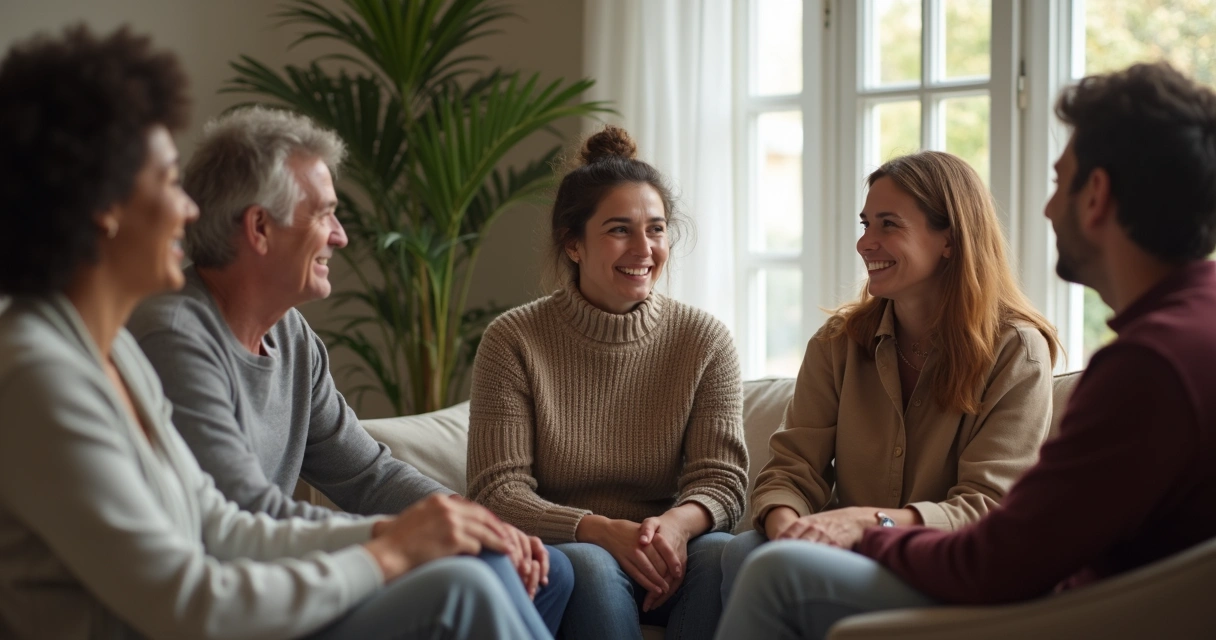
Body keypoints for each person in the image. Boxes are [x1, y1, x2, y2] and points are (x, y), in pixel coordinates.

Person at [0, 25, 545, 640]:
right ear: (105, 206)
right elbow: (192, 602)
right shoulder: (40, 377)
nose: (188, 208)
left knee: (482, 575)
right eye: (166, 181)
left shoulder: (112, 352)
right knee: (459, 590)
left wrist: (395, 530)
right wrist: (386, 556)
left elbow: (219, 523)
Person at [716, 60, 1216, 640]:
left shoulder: (1149, 365)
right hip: (1072, 599)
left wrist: (867, 528)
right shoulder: (1182, 339)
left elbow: (998, 552)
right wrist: (809, 525)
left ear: (1096, 195)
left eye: (1059, 183)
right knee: (744, 554)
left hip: (1052, 612)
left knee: (779, 573)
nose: (1049, 209)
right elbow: (1036, 543)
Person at [123, 104, 571, 635]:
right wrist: (403, 536)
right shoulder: (175, 334)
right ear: (260, 228)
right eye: (324, 214)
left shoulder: (291, 337)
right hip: (252, 602)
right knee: (473, 579)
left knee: (552, 571)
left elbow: (368, 472)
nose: (340, 236)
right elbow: (240, 511)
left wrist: (469, 517)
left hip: (297, 576)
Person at [719, 150, 1060, 602]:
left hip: (946, 567)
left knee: (765, 567)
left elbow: (987, 506)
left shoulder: (1016, 350)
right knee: (739, 551)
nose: (865, 243)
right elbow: (792, 469)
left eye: (888, 224)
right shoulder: (838, 343)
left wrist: (864, 523)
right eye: (865, 224)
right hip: (849, 557)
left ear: (950, 240)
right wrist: (787, 529)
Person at [465, 125, 749, 639]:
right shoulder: (513, 340)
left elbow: (723, 479)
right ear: (573, 244)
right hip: (572, 549)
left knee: (720, 555)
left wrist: (674, 528)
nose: (644, 248)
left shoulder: (704, 339)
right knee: (590, 564)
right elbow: (496, 491)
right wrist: (600, 532)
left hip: (667, 552)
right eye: (620, 229)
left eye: (657, 229)